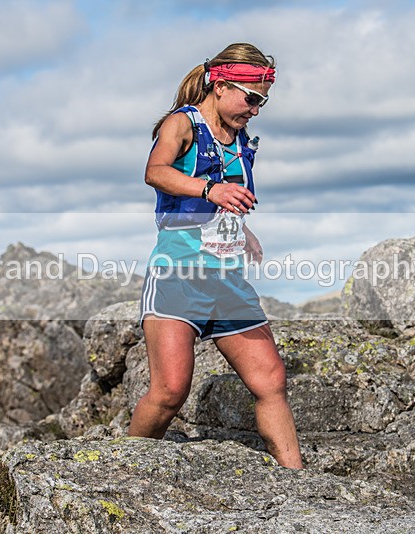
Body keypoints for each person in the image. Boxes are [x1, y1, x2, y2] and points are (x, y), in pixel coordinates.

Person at [129, 43, 303, 469]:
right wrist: (211, 190)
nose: (256, 110)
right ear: (222, 85)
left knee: (271, 380)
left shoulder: (240, 138)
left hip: (227, 279)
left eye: (263, 100)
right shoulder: (182, 124)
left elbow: (225, 200)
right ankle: (123, 463)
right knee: (170, 391)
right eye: (253, 98)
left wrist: (242, 231)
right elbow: (156, 172)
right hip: (178, 276)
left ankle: (299, 481)